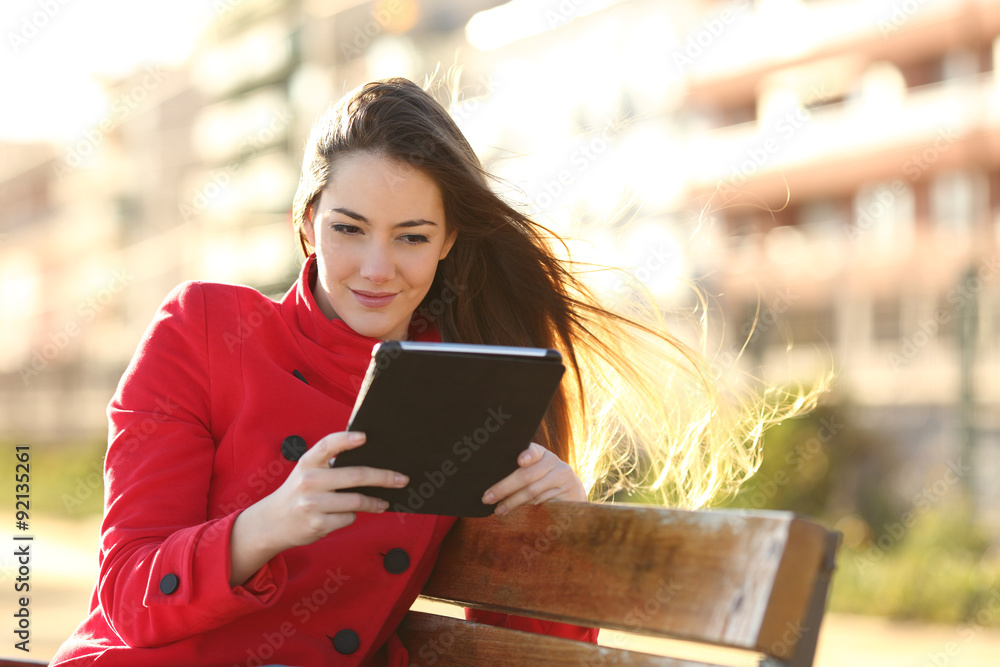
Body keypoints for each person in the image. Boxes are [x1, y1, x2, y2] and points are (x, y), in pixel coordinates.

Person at [52, 77, 820, 666]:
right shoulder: (203, 331)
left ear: (450, 240)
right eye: (349, 229)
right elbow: (126, 593)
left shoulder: (469, 388)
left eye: (412, 237)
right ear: (307, 221)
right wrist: (270, 522)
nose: (377, 269)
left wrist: (552, 523)